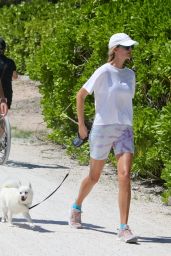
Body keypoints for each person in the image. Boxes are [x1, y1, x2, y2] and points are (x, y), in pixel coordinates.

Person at [69, 33, 139, 243]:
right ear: (115, 49)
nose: (129, 50)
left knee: (125, 175)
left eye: (130, 47)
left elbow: (127, 102)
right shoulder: (103, 71)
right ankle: (76, 206)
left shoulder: (130, 75)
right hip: (102, 128)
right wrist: (82, 126)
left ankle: (123, 227)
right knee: (94, 176)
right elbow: (80, 95)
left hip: (124, 128)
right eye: (126, 47)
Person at [0, 37, 18, 110]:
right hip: (7, 92)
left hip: (2, 96)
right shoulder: (10, 62)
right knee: (3, 115)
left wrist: (2, 98)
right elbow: (15, 77)